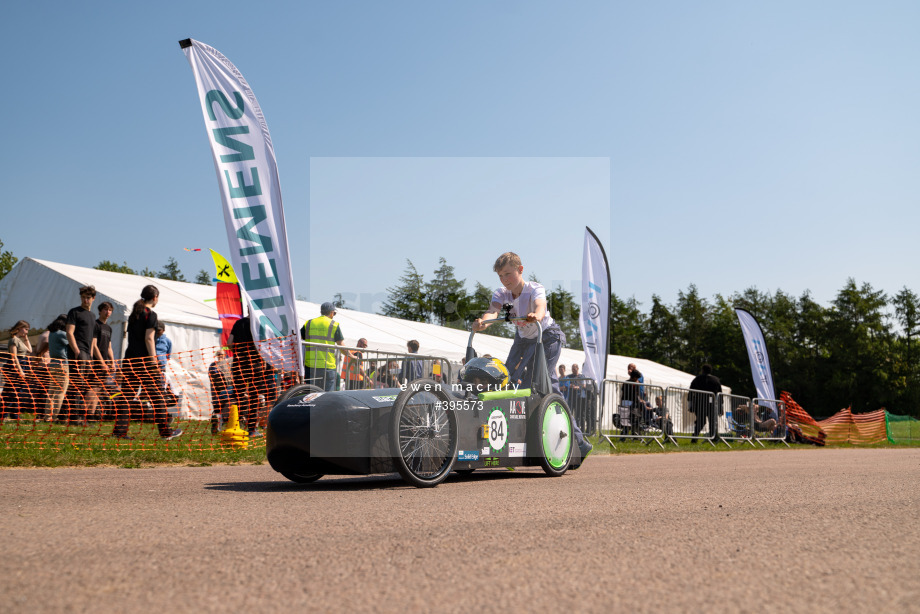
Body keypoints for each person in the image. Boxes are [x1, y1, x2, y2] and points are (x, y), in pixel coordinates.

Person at [472, 251, 591, 462]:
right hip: (524, 339)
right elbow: (493, 311)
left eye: (508, 274)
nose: (504, 280)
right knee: (505, 378)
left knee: (544, 383)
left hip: (546, 337)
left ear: (520, 270)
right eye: (500, 276)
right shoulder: (502, 293)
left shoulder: (534, 288)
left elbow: (540, 306)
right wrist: (483, 322)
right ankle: (514, 438)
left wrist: (537, 315)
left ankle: (579, 442)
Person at [121, 285, 182, 440]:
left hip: (129, 360)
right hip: (145, 362)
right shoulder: (151, 315)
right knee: (158, 396)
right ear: (155, 297)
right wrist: (154, 360)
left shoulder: (134, 314)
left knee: (127, 396)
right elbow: (149, 338)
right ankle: (165, 432)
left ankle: (119, 432)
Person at [228, 314, 268, 437]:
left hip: (239, 363)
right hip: (256, 365)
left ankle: (235, 425)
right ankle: (251, 430)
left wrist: (238, 353)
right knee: (254, 398)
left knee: (238, 395)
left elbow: (229, 342)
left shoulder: (238, 323)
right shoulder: (260, 325)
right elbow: (264, 346)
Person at [64, 285, 99, 422]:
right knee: (76, 385)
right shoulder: (74, 312)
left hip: (87, 355)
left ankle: (76, 415)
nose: (85, 300)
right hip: (78, 352)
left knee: (83, 385)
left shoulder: (92, 315)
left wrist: (90, 356)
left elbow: (91, 340)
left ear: (93, 299)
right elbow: (69, 332)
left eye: (88, 298)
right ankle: (74, 417)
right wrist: (77, 351)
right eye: (83, 297)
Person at [300, 302, 345, 392]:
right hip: (327, 366)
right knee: (327, 396)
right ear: (332, 312)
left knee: (311, 395)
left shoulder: (309, 323)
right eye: (334, 313)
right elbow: (341, 346)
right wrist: (351, 355)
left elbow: (299, 338)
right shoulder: (334, 324)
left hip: (310, 365)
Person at [39, 315, 70, 421]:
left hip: (52, 364)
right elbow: (73, 342)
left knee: (51, 391)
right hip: (62, 364)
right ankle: (55, 416)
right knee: (60, 391)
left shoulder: (51, 333)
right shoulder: (63, 334)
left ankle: (47, 416)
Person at [2, 320, 34, 421]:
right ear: (19, 328)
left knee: (17, 392)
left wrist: (26, 338)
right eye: (25, 329)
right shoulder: (13, 340)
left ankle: (14, 415)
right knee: (11, 392)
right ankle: (4, 415)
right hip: (15, 367)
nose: (27, 331)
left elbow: (30, 350)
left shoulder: (20, 340)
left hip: (23, 364)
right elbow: (14, 357)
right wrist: (20, 370)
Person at [689, 364, 722, 443]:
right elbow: (720, 394)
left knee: (700, 421)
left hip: (699, 404)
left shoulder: (697, 379)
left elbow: (691, 391)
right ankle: (712, 437)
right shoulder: (716, 380)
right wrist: (721, 406)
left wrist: (690, 404)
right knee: (712, 422)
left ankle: (695, 436)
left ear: (703, 370)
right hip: (712, 404)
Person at [208, 347, 235, 433]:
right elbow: (212, 378)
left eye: (221, 354)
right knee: (220, 405)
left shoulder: (229, 362)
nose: (220, 356)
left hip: (228, 388)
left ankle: (219, 421)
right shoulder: (213, 365)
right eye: (218, 354)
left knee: (226, 405)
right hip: (219, 390)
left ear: (224, 355)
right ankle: (219, 422)